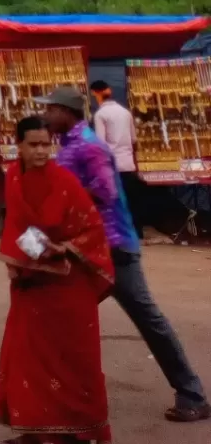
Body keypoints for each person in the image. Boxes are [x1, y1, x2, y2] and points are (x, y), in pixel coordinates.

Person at [40, 84, 210, 424]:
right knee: (57, 316)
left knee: (148, 320)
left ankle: (192, 393)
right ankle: (55, 396)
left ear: (67, 112)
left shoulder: (89, 147)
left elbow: (103, 192)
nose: (45, 115)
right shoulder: (71, 144)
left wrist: (65, 199)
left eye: (50, 109)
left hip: (111, 248)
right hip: (88, 248)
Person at [0, 115, 114, 443]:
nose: (42, 151)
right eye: (33, 145)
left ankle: (78, 432)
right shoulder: (14, 178)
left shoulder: (65, 182)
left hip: (67, 287)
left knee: (73, 366)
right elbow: (15, 226)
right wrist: (17, 260)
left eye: (46, 144)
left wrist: (65, 247)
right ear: (18, 146)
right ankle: (35, 431)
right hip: (30, 286)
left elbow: (94, 228)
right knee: (29, 363)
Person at [90, 80, 140, 232]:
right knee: (131, 200)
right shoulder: (126, 113)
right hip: (128, 164)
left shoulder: (100, 114)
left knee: (113, 201)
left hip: (112, 165)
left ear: (96, 94)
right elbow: (134, 140)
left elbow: (100, 143)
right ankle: (136, 231)